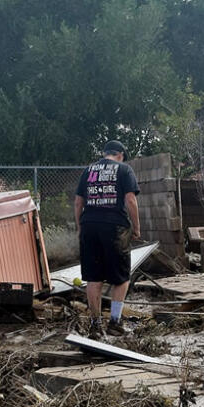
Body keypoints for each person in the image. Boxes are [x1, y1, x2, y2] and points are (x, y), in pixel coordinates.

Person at [74, 140, 141, 337]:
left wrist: (80, 227)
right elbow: (130, 199)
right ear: (120, 154)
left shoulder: (88, 171)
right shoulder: (124, 169)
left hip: (89, 226)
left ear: (104, 153)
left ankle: (95, 326)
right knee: (121, 277)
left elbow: (78, 203)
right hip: (115, 227)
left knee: (93, 277)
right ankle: (114, 322)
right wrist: (136, 227)